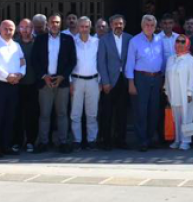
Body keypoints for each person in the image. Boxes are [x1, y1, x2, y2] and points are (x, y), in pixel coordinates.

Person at [31, 15, 76, 153]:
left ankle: (63, 142)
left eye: (57, 22)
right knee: (44, 114)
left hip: (61, 82)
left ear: (60, 24)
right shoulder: (40, 39)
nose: (55, 24)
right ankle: (43, 142)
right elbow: (34, 60)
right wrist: (44, 76)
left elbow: (72, 61)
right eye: (52, 22)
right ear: (48, 24)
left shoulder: (68, 39)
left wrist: (63, 76)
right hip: (45, 81)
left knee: (62, 113)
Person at [126, 14, 166, 152]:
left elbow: (163, 59)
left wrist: (163, 79)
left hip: (157, 78)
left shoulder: (160, 40)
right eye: (147, 25)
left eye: (152, 25)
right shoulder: (135, 41)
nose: (149, 27)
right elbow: (130, 63)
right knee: (140, 110)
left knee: (154, 110)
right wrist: (131, 83)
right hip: (140, 78)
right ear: (142, 26)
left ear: (155, 27)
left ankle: (149, 139)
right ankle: (142, 140)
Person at [0, 19, 25, 157]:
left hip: (13, 85)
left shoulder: (16, 46)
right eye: (5, 29)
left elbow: (23, 61)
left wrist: (21, 74)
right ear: (0, 29)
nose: (8, 31)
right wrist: (6, 75)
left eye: (11, 29)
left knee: (10, 116)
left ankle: (6, 145)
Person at [96, 15, 131, 150]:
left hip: (124, 80)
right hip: (110, 80)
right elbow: (101, 62)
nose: (118, 26)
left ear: (124, 25)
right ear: (111, 25)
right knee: (107, 112)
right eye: (116, 24)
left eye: (120, 24)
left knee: (122, 112)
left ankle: (121, 140)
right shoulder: (104, 40)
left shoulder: (129, 39)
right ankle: (106, 140)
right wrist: (105, 81)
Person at [69, 17, 100, 150]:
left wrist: (100, 81)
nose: (84, 29)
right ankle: (77, 140)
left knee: (92, 113)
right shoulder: (72, 42)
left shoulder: (96, 42)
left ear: (90, 27)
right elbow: (68, 63)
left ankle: (91, 140)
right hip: (77, 80)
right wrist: (70, 81)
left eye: (86, 27)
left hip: (93, 81)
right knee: (75, 113)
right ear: (77, 27)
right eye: (81, 26)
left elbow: (100, 62)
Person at [165, 35, 193, 150]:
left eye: (183, 42)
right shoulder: (170, 59)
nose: (180, 44)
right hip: (174, 93)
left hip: (186, 94)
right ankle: (177, 139)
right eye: (177, 41)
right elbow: (167, 76)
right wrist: (167, 91)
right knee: (176, 117)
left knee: (187, 117)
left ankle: (186, 141)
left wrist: (189, 92)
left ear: (187, 44)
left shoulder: (191, 60)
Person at [13, 18, 38, 153]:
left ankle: (30, 141)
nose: (25, 30)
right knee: (17, 114)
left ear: (32, 29)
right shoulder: (14, 43)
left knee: (32, 114)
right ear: (18, 29)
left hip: (33, 84)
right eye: (22, 27)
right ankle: (17, 141)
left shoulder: (38, 42)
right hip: (18, 84)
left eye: (28, 27)